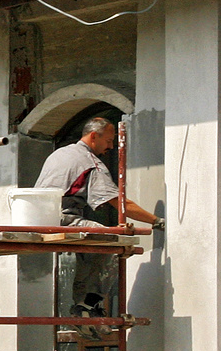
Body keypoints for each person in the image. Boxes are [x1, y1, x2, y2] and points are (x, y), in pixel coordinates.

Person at [34, 117, 164, 322]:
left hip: (39, 216)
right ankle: (88, 303)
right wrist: (156, 221)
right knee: (111, 240)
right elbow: (119, 202)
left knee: (91, 246)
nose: (111, 147)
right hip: (61, 218)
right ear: (94, 136)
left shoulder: (60, 153)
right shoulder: (90, 162)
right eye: (109, 141)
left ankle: (81, 304)